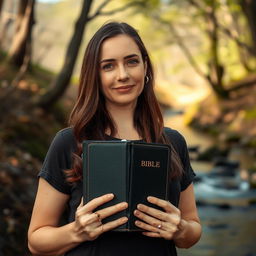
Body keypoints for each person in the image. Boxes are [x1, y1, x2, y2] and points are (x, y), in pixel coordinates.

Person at [28, 21, 201, 256]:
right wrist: (76, 231)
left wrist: (180, 229)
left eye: (132, 61)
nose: (123, 75)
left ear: (145, 67)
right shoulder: (69, 141)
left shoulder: (172, 142)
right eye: (108, 66)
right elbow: (36, 241)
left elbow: (192, 231)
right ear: (95, 75)